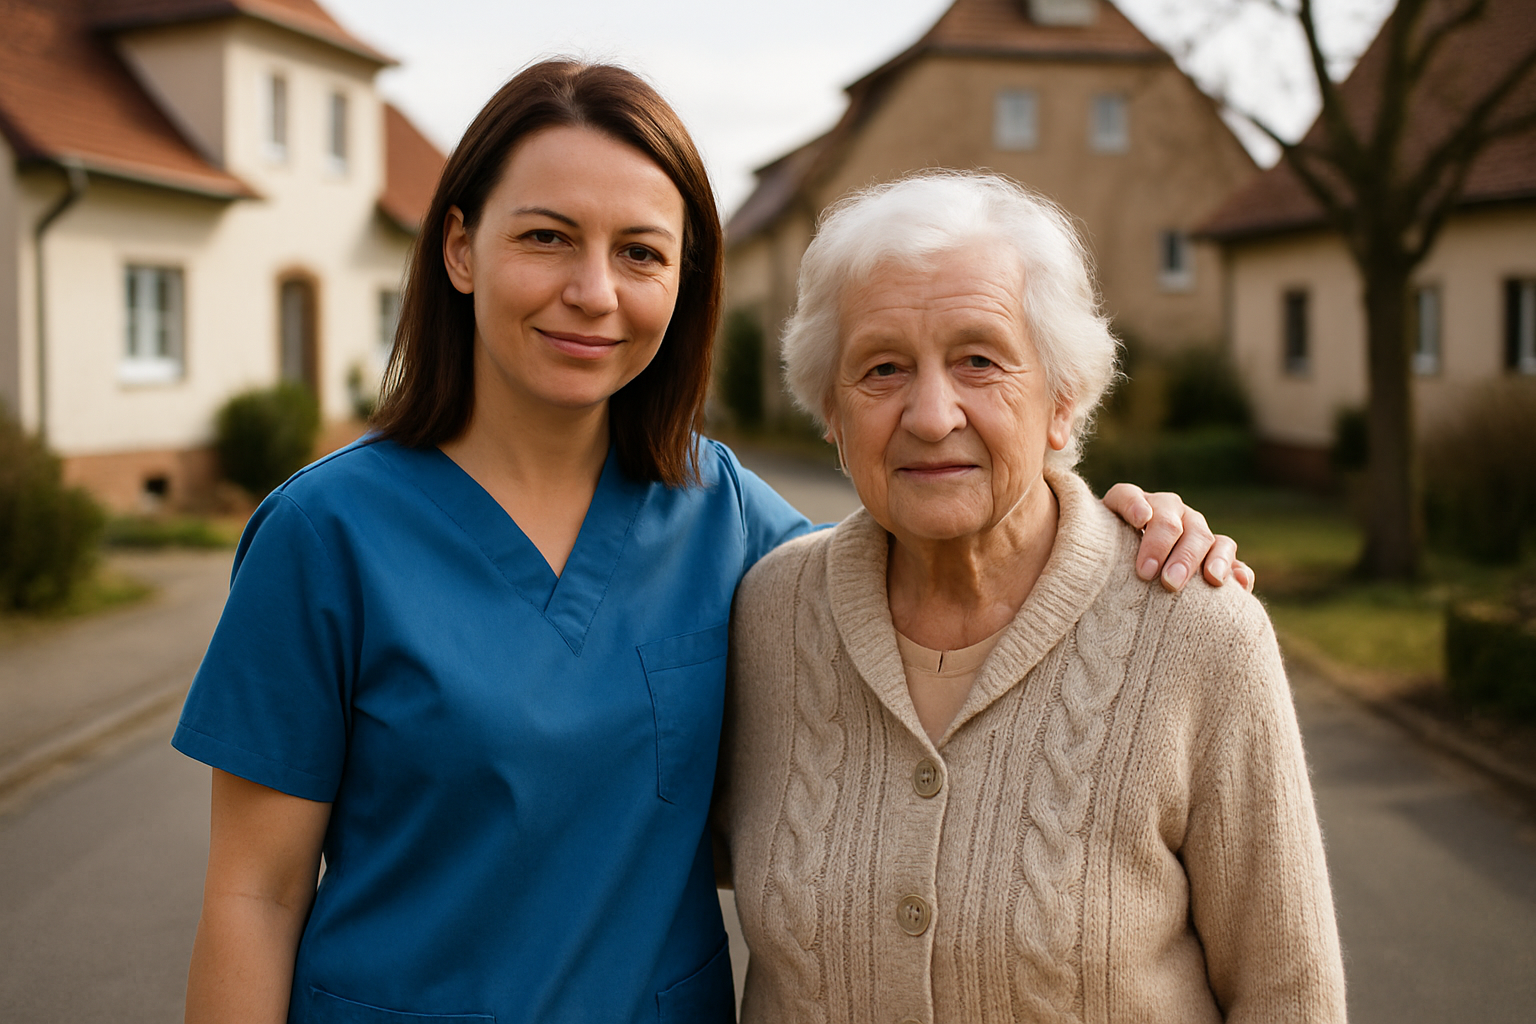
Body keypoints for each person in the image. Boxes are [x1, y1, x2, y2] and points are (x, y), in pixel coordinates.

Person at [175, 63, 1248, 1024]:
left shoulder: (726, 517)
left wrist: (1117, 528)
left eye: (640, 252)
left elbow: (930, 565)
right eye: (546, 236)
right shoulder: (324, 535)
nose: (593, 292)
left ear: (682, 280)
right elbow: (252, 896)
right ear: (460, 248)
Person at [717, 171, 1345, 1023]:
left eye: (980, 359)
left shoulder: (1197, 627)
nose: (932, 414)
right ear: (830, 410)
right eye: (882, 368)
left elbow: (1289, 997)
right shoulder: (764, 618)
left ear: (1063, 399)